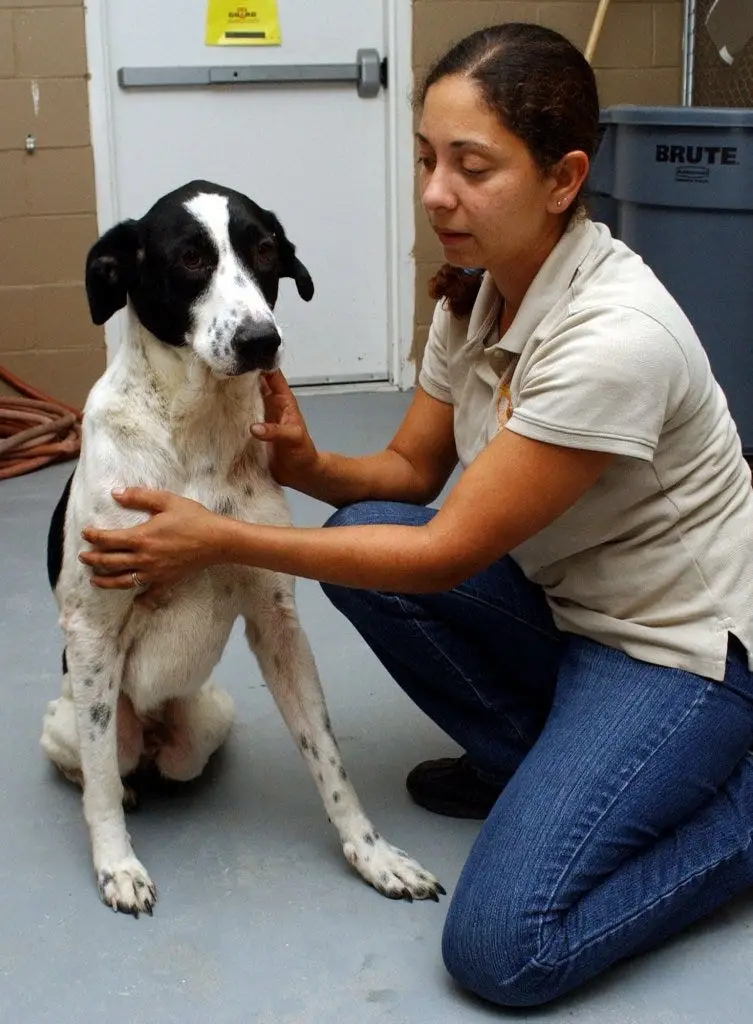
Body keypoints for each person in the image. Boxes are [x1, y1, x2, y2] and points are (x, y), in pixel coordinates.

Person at [78, 22, 753, 1008]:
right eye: (428, 158)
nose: (435, 193)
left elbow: (443, 551)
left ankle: (728, 805)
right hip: (565, 609)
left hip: (676, 652)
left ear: (564, 180)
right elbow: (406, 470)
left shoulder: (615, 338)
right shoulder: (473, 296)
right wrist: (307, 464)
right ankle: (540, 767)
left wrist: (213, 537)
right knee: (356, 542)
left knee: (500, 947)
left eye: (471, 166)